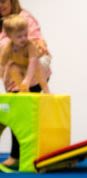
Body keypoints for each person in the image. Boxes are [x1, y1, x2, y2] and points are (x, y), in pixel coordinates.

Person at [0, 0, 51, 168]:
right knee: (11, 113)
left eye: (3, 2)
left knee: (19, 113)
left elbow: (37, 40)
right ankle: (19, 154)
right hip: (13, 76)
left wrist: (27, 81)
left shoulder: (24, 19)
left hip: (33, 71)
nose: (0, 6)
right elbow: (3, 61)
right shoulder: (3, 24)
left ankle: (17, 156)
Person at [0, 14, 50, 93]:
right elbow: (2, 65)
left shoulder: (29, 45)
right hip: (22, 66)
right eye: (19, 36)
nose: (24, 38)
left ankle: (46, 90)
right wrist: (4, 78)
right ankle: (24, 90)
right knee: (12, 67)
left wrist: (27, 79)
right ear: (10, 36)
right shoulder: (8, 48)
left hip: (36, 64)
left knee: (37, 64)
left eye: (25, 35)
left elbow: (32, 63)